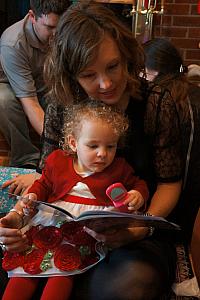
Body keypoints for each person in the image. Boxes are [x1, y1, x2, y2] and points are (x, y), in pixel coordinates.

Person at [0, 2, 192, 299]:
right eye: (89, 75)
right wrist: (19, 222)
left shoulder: (156, 103)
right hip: (65, 226)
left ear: (125, 55)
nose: (106, 83)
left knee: (126, 284)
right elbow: (48, 178)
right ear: (70, 74)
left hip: (138, 229)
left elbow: (169, 184)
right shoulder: (62, 106)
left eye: (113, 66)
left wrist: (140, 228)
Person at [2, 100, 149, 300]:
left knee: (63, 273)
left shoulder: (119, 168)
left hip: (82, 234)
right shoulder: (58, 160)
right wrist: (33, 195)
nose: (103, 154)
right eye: (93, 145)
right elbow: (44, 184)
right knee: (26, 268)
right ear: (73, 143)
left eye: (111, 146)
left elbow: (139, 184)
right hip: (49, 224)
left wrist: (137, 195)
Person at [0, 0, 70, 169]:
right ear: (32, 16)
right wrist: (58, 143)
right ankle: (27, 159)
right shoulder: (12, 43)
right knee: (3, 100)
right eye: (50, 27)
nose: (56, 34)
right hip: (13, 87)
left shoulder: (62, 32)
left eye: (60, 28)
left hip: (45, 83)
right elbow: (30, 101)